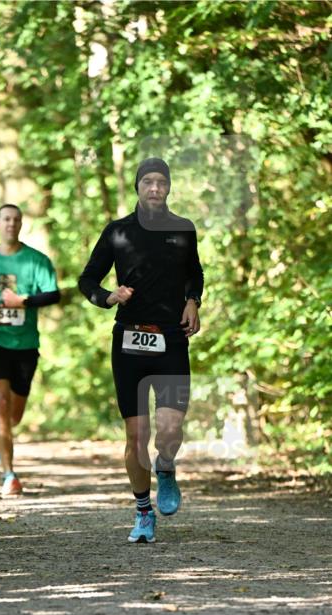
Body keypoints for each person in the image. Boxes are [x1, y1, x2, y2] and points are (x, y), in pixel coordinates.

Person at [78, 157, 204, 543]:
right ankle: (142, 511)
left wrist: (193, 300)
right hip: (129, 341)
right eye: (147, 181)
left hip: (170, 339)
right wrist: (108, 296)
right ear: (137, 186)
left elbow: (194, 273)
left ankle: (165, 467)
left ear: (168, 187)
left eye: (160, 182)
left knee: (169, 429)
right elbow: (87, 280)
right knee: (136, 435)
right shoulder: (117, 232)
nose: (154, 188)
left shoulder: (183, 229)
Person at [0, 204, 60, 496]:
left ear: (21, 224)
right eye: (6, 219)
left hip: (25, 344)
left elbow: (53, 294)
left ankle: (4, 440)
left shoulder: (36, 260)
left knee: (14, 415)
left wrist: (23, 301)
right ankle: (9, 474)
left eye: (16, 219)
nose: (11, 224)